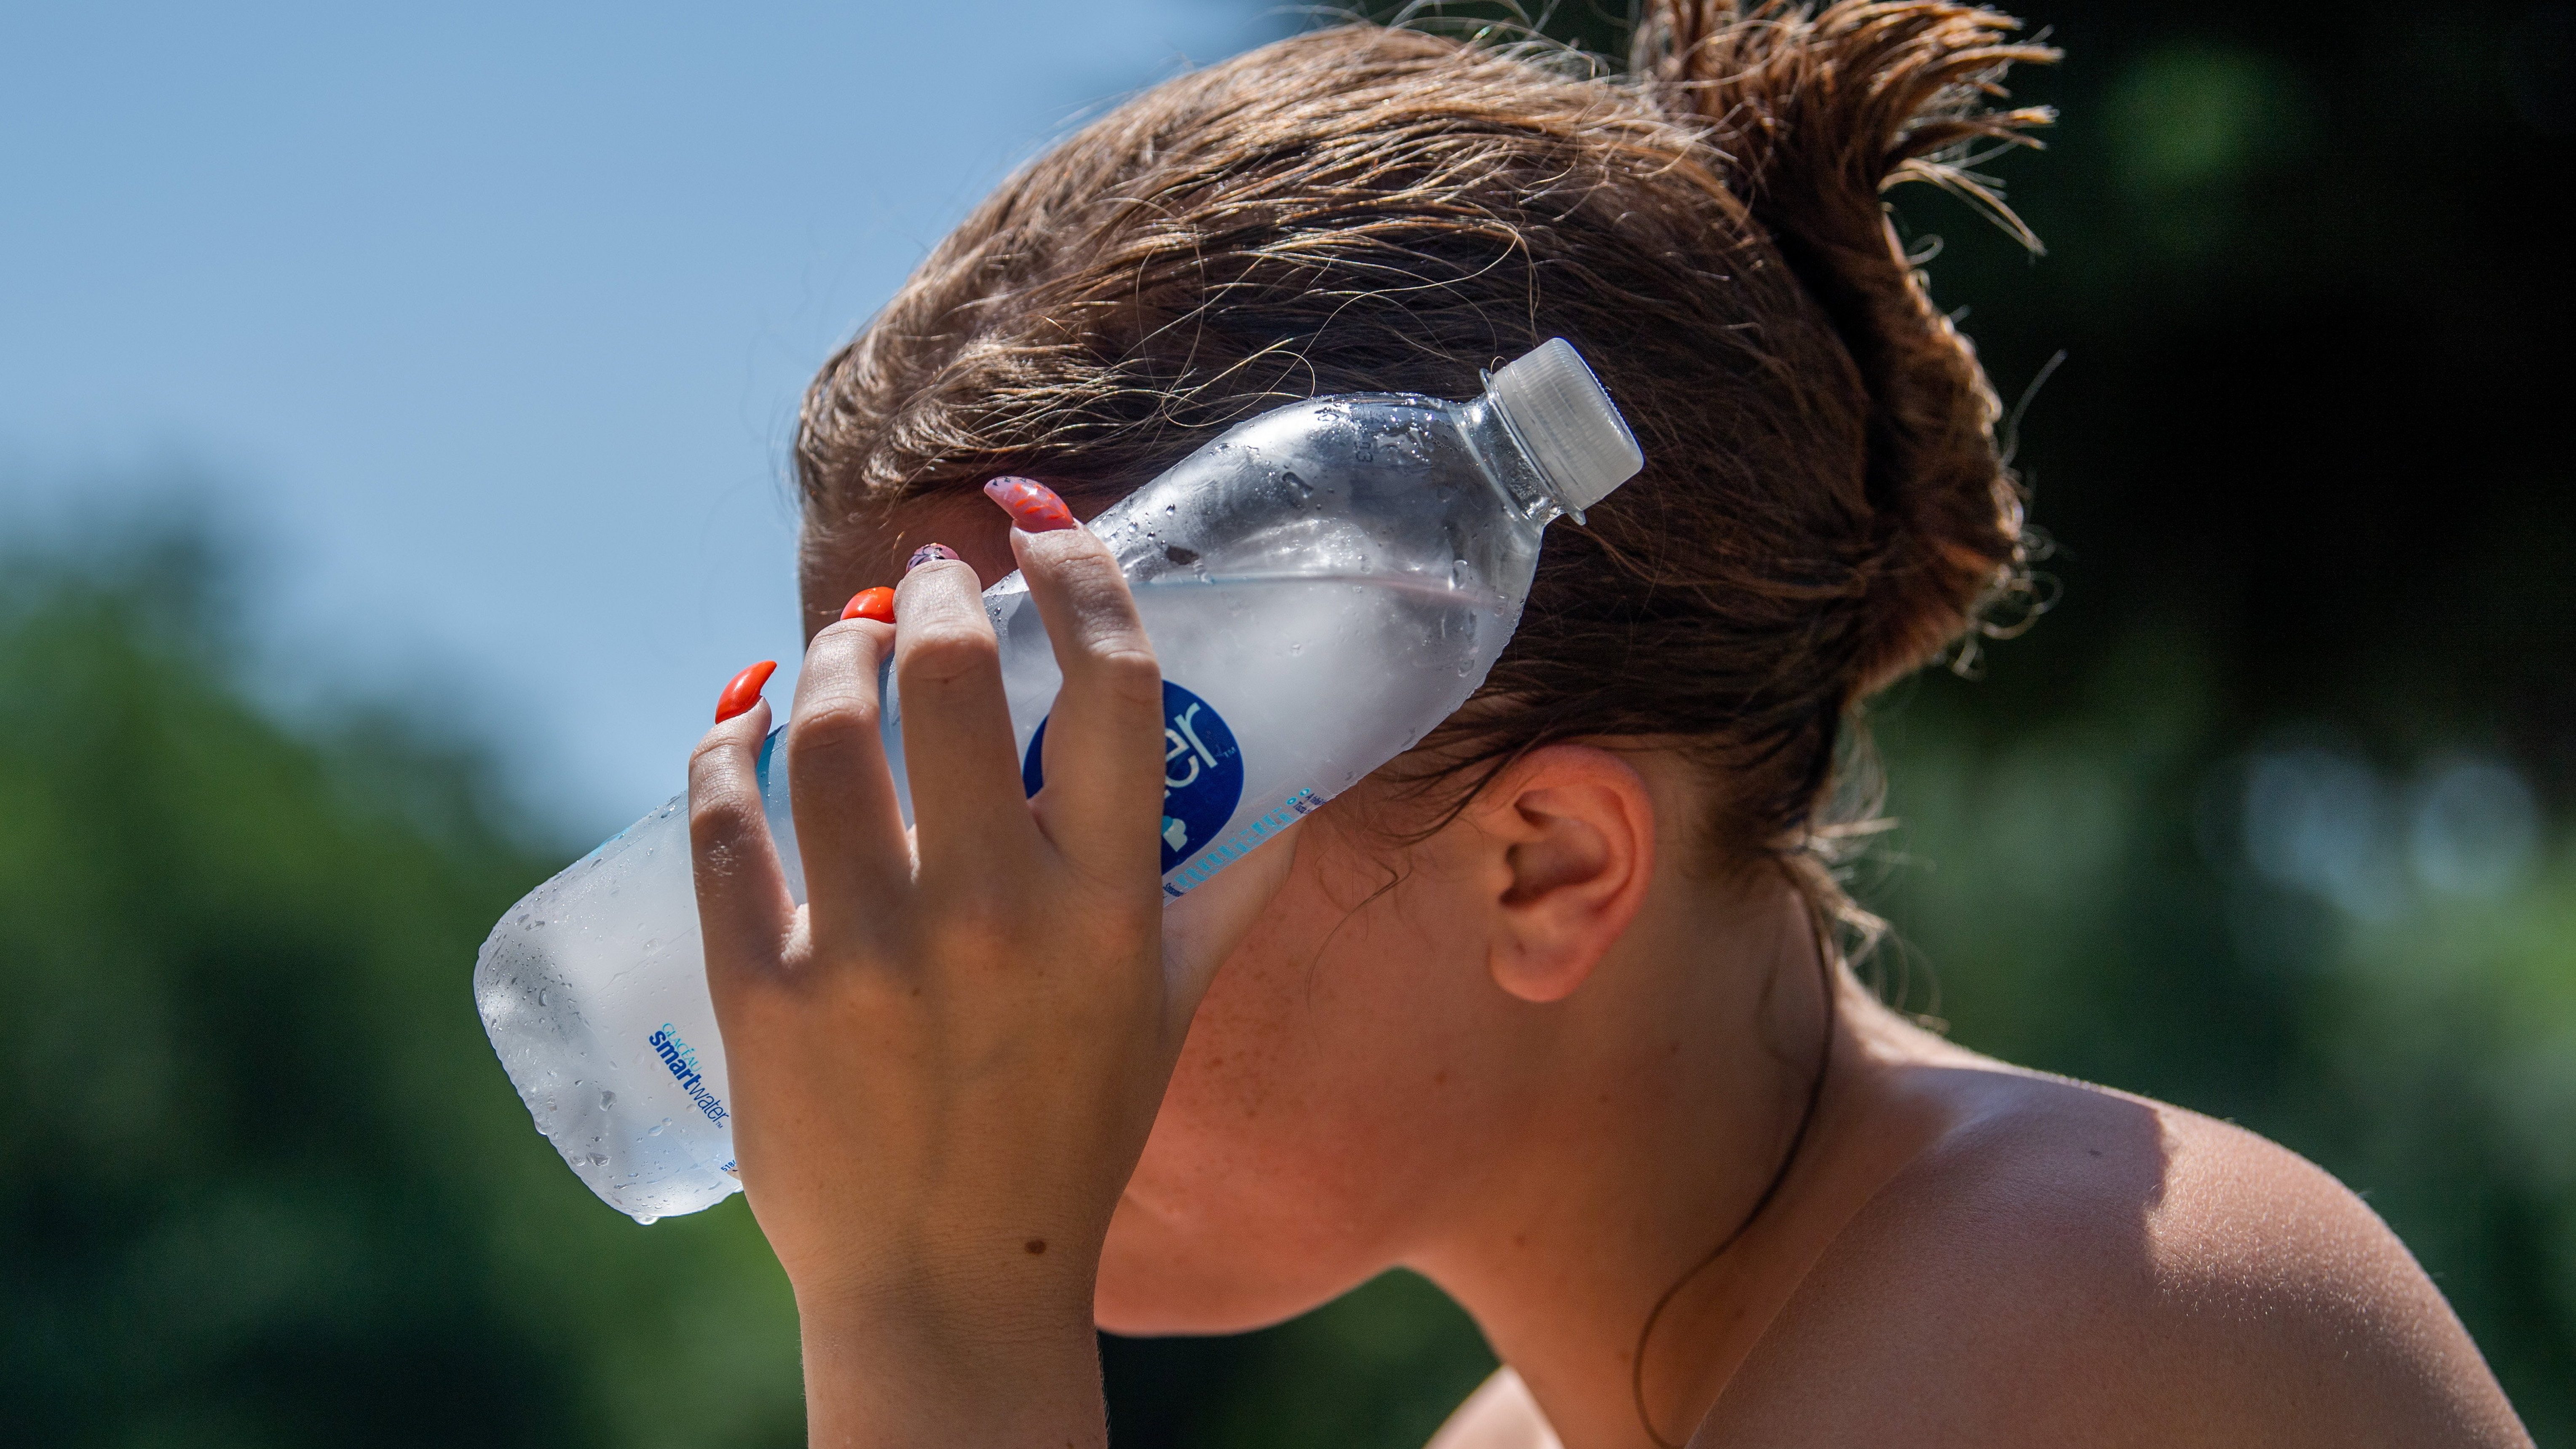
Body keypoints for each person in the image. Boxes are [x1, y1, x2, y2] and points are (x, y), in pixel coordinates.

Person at [683, 4, 2536, 1443]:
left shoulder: (2087, 1298)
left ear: (1547, 866)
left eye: (1059, 810)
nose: (919, 940)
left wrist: (933, 1314)